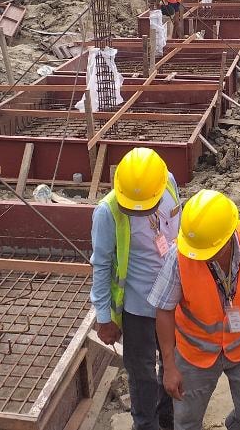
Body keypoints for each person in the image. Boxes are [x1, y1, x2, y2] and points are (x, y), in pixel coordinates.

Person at [149, 189, 240, 430]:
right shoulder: (181, 254)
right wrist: (170, 365)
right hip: (194, 353)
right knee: (186, 421)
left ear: (227, 238)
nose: (201, 258)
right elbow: (164, 310)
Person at [90, 147, 181, 430]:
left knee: (174, 363)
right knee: (142, 373)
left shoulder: (167, 182)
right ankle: (145, 424)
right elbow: (101, 266)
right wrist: (104, 317)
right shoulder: (108, 212)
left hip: (175, 301)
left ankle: (170, 419)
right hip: (138, 307)